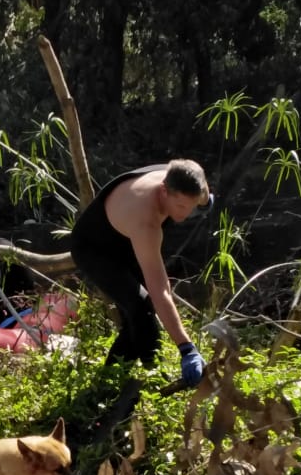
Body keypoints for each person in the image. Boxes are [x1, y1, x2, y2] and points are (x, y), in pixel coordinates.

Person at [69, 159, 213, 386]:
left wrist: (203, 203)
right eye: (181, 206)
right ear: (164, 191)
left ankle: (109, 382)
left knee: (135, 321)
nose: (186, 214)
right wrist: (186, 348)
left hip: (124, 238)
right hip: (94, 249)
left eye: (192, 206)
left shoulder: (184, 178)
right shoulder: (146, 222)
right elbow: (160, 290)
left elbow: (202, 190)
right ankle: (152, 374)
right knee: (141, 304)